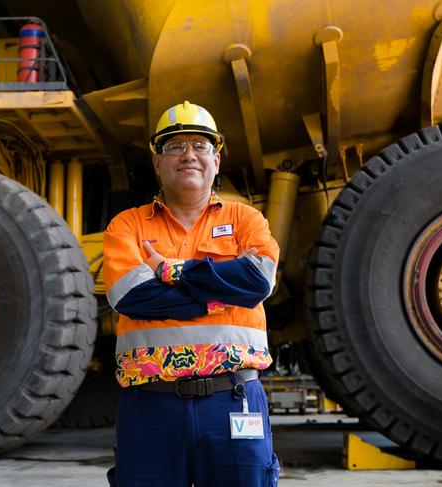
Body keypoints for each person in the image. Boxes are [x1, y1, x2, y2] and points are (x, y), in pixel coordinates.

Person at [103, 101, 280, 487]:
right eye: (174, 146)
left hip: (232, 400)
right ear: (157, 162)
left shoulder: (245, 219)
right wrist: (222, 296)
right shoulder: (127, 226)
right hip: (151, 407)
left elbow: (258, 282)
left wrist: (171, 271)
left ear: (216, 160)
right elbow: (131, 298)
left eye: (200, 146)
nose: (188, 155)